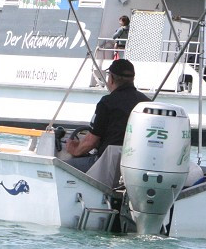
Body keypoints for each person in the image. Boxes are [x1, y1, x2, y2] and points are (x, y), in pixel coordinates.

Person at [63, 58, 150, 188]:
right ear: (132, 79)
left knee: (64, 167)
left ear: (111, 79)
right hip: (136, 166)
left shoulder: (107, 102)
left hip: (108, 165)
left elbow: (91, 141)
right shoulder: (146, 103)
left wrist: (74, 150)